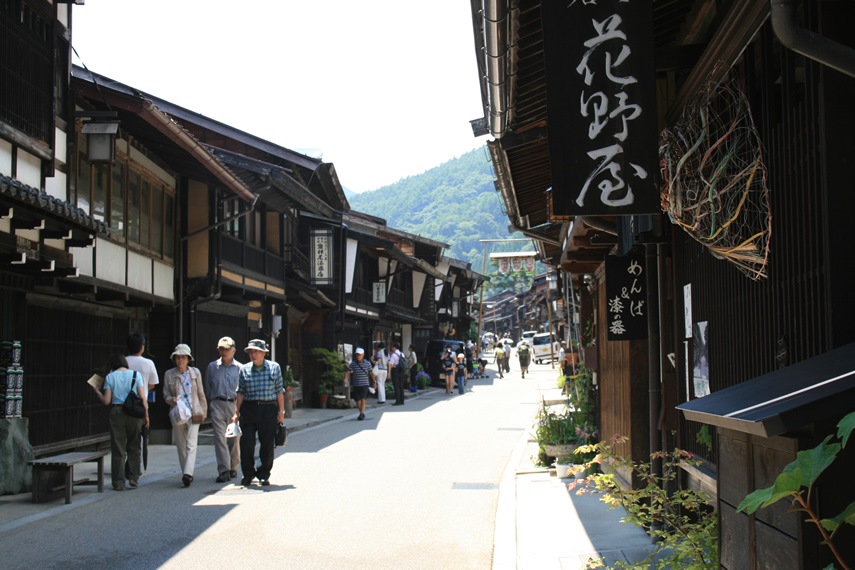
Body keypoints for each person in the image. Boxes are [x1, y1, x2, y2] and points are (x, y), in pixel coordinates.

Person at [90, 353, 148, 491]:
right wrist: (146, 416)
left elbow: (107, 401)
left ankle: (118, 482)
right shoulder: (136, 375)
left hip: (117, 412)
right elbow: (142, 397)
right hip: (134, 414)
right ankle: (133, 477)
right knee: (134, 446)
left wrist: (97, 392)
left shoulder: (110, 377)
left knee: (118, 449)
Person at [231, 339, 284, 487]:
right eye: (251, 352)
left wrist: (281, 411)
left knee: (267, 443)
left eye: (256, 352)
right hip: (249, 408)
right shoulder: (244, 369)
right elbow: (240, 393)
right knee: (246, 442)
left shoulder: (274, 368)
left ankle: (263, 473)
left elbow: (280, 391)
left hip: (268, 409)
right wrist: (236, 412)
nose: (253, 355)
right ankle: (248, 473)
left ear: (264, 353)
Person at [163, 344, 207, 487]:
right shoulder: (169, 374)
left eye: (183, 357)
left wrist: (204, 410)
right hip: (178, 413)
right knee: (181, 444)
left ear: (188, 359)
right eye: (178, 357)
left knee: (191, 442)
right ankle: (185, 473)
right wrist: (172, 400)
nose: (180, 360)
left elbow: (201, 392)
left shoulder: (195, 373)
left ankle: (188, 473)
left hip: (194, 411)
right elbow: (165, 395)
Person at [205, 336, 242, 483]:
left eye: (226, 349)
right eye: (221, 349)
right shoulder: (212, 367)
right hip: (218, 404)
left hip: (234, 404)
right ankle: (224, 470)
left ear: (233, 350)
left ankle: (234, 467)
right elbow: (208, 386)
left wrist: (238, 410)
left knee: (234, 438)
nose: (224, 352)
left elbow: (242, 391)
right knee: (219, 438)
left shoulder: (240, 368)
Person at [343, 347, 375, 420]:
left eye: (359, 355)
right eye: (357, 355)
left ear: (363, 355)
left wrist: (374, 381)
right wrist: (345, 378)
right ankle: (361, 412)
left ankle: (361, 413)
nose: (358, 356)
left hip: (364, 384)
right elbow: (348, 371)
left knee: (363, 399)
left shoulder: (367, 363)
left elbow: (371, 373)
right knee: (358, 400)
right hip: (356, 384)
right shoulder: (353, 364)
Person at [125, 332, 159, 401]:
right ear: (142, 347)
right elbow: (152, 384)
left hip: (123, 403)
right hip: (141, 404)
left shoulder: (122, 361)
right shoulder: (149, 363)